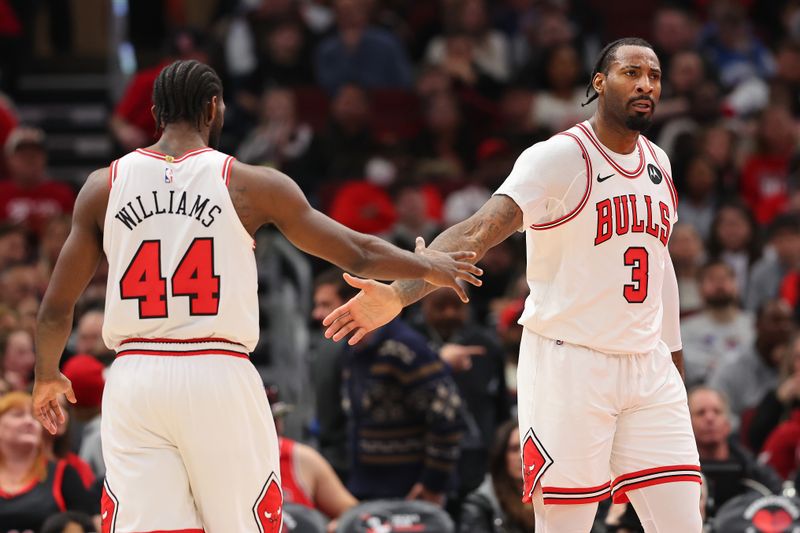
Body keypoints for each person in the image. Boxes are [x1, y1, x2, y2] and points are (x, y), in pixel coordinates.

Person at [31, 59, 482, 533]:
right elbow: (358, 251)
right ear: (213, 108)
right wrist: (427, 265)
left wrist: (45, 374)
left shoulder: (103, 186)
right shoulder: (248, 183)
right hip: (216, 370)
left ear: (155, 112)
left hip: (135, 376)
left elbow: (56, 307)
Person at [324, 37, 704, 531]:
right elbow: (475, 232)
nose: (645, 85)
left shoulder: (660, 162)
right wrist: (399, 293)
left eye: (654, 76)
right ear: (599, 82)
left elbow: (661, 268)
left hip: (647, 367)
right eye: (632, 72)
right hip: (572, 363)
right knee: (565, 524)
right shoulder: (560, 158)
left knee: (684, 520)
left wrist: (673, 363)